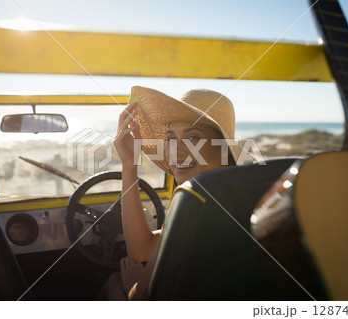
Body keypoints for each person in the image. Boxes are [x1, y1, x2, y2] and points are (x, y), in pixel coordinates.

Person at [98, 86, 241, 300]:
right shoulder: (232, 191)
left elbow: (140, 300)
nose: (176, 151)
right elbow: (142, 249)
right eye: (171, 139)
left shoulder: (193, 204)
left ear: (223, 147)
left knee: (113, 284)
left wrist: (133, 284)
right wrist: (130, 165)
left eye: (193, 138)